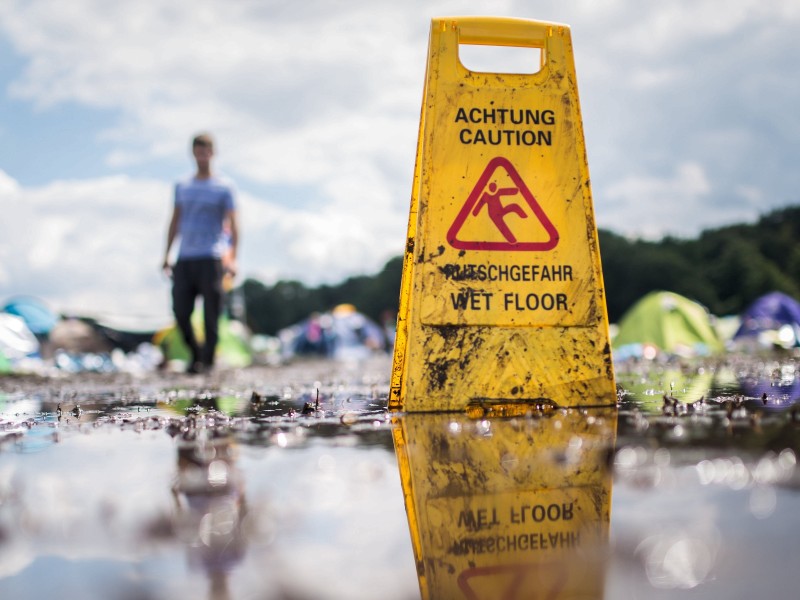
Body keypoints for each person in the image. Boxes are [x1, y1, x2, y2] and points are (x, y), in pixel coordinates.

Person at [162, 133, 238, 373]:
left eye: (206, 151)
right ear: (193, 153)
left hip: (212, 258)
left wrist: (233, 258)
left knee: (211, 316)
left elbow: (234, 226)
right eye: (198, 151)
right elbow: (175, 221)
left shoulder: (224, 187)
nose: (202, 156)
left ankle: (208, 362)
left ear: (212, 153)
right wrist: (166, 254)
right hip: (185, 258)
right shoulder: (182, 185)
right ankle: (196, 355)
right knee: (181, 312)